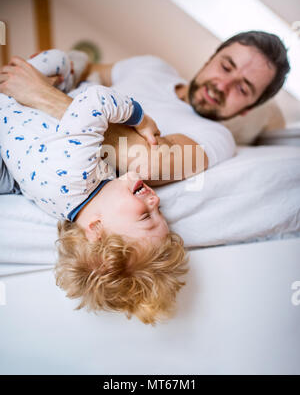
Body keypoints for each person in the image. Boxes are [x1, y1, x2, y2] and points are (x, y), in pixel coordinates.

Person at [0, 49, 189, 326]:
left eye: (146, 216)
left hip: (10, 102)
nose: (156, 202)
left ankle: (76, 61)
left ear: (96, 229)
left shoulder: (76, 175)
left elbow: (95, 100)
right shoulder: (67, 206)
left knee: (60, 61)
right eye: (160, 213)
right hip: (23, 123)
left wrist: (140, 118)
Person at [0, 30, 290, 194]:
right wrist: (53, 73)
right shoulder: (152, 66)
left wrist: (41, 95)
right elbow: (85, 67)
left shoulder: (216, 138)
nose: (222, 85)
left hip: (30, 152)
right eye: (226, 66)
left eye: (243, 88)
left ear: (247, 109)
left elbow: (146, 162)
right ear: (211, 58)